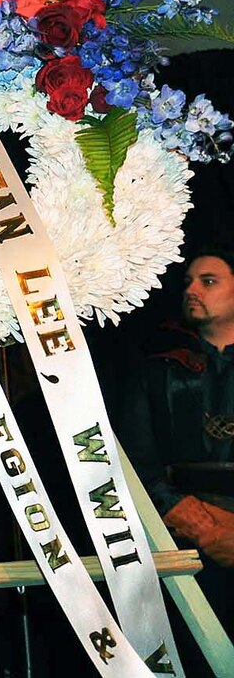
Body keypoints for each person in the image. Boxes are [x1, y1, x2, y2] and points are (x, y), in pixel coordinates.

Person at [118, 244, 234, 664]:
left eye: (208, 281)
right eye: (188, 282)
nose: (192, 290)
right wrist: (203, 527)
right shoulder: (157, 368)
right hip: (182, 545)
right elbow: (133, 460)